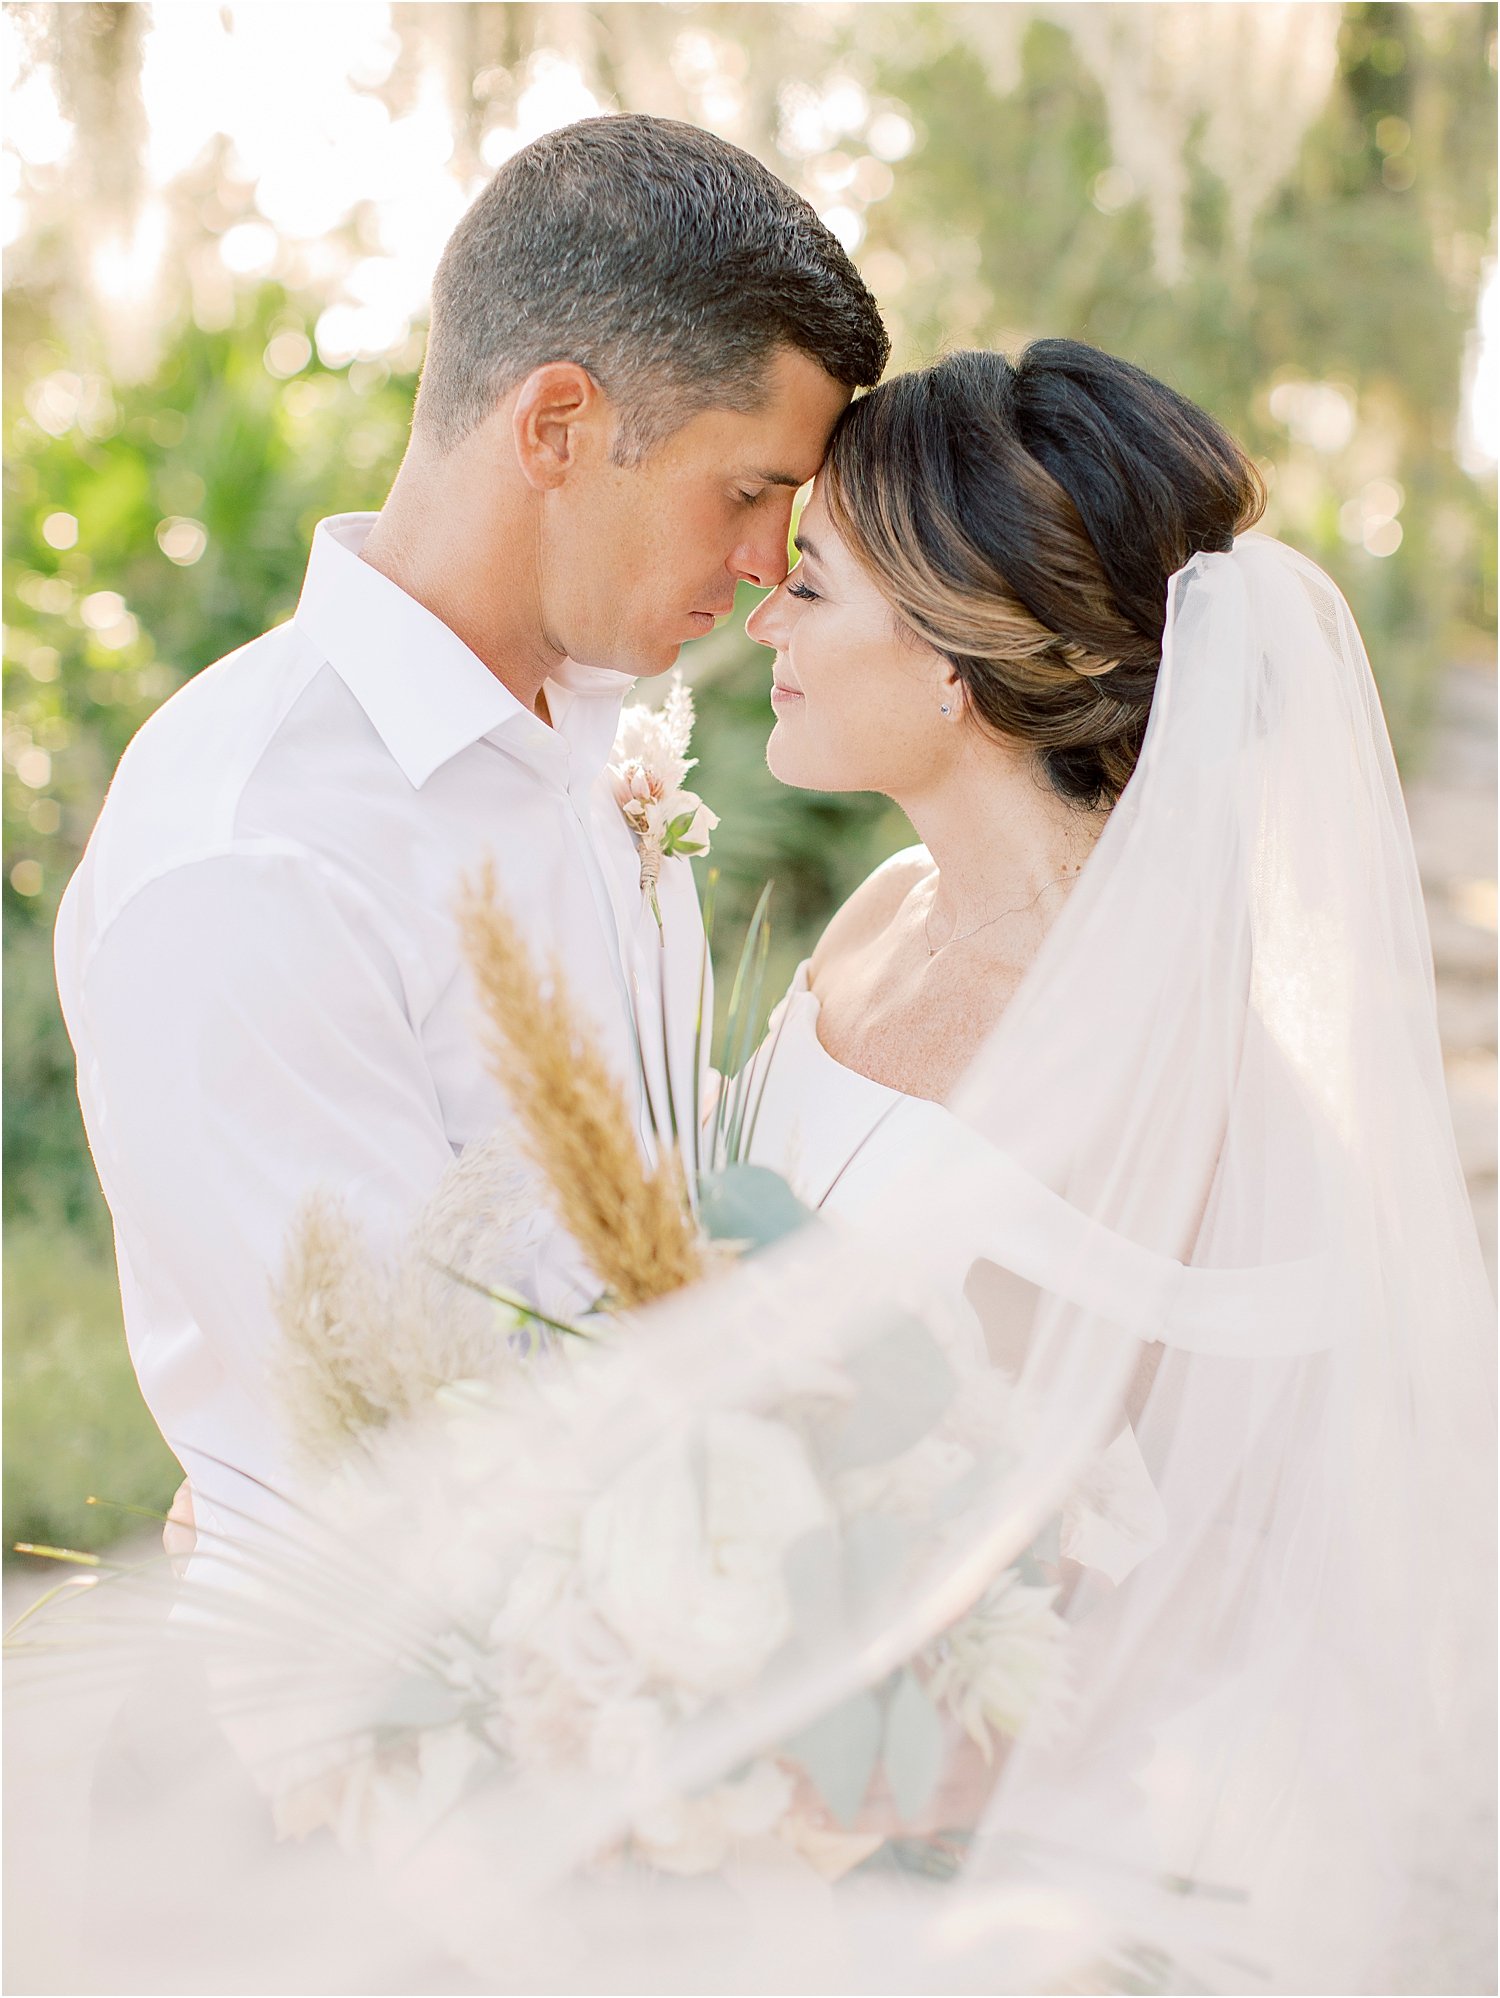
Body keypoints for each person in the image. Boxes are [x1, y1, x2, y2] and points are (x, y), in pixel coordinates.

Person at [52, 113, 887, 1561]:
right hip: (418, 1719)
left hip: (671, 1642)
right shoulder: (255, 851)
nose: (769, 569)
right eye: (748, 491)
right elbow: (407, 1425)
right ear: (556, 423)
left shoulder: (596, 734)